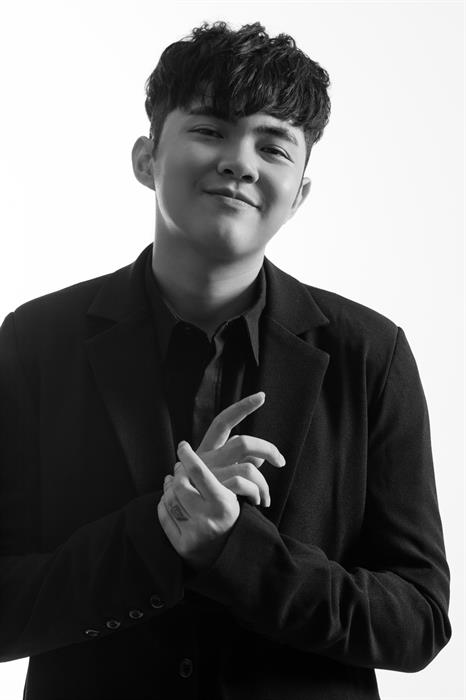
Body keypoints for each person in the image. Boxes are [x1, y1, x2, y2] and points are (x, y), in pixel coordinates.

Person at [0, 20, 451, 700]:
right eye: (210, 130)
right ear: (147, 159)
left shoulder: (370, 353)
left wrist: (236, 551)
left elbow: (417, 622)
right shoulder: (36, 340)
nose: (240, 162)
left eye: (273, 146)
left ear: (299, 193)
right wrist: (158, 534)